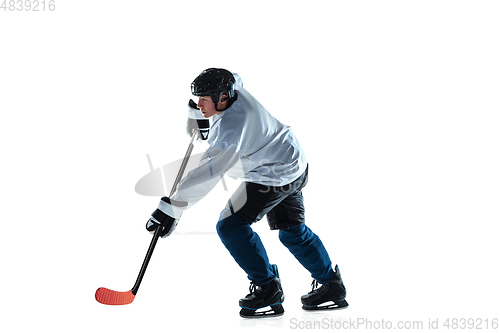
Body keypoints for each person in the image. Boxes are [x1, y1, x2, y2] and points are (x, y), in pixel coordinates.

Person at [146, 68, 348, 318]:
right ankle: (331, 285)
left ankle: (267, 287)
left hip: (272, 174)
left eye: (204, 100)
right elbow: (235, 75)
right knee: (292, 233)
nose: (199, 104)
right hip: (292, 161)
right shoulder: (234, 89)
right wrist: (195, 114)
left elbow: (209, 172)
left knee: (230, 226)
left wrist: (172, 208)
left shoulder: (232, 128)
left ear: (222, 98)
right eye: (197, 99)